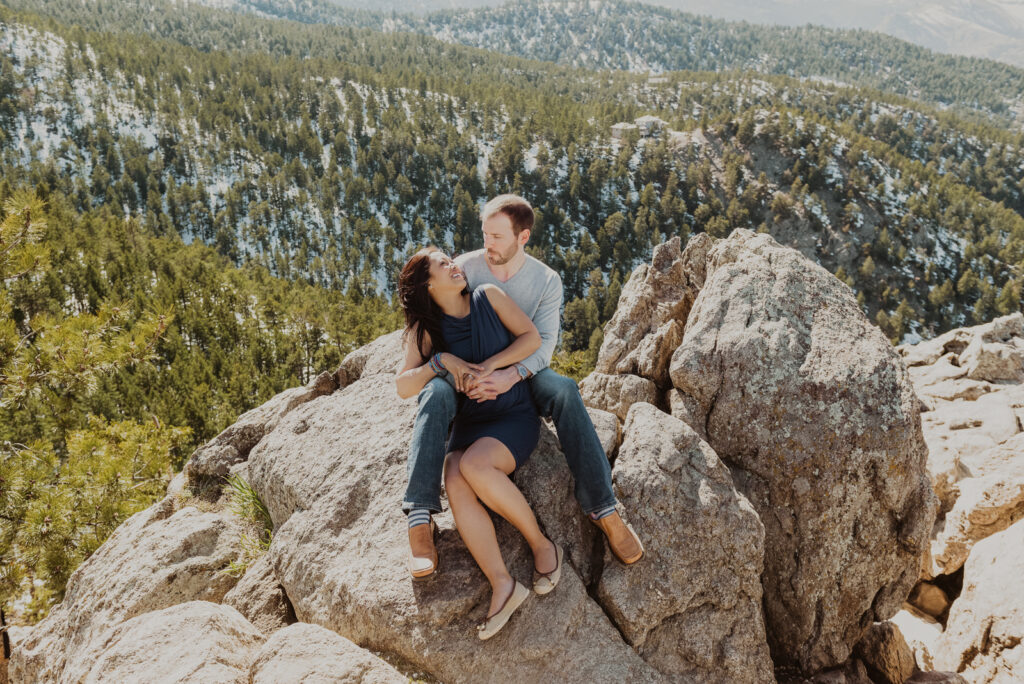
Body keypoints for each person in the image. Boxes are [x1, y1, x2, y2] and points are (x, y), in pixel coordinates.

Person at [401, 194, 643, 580]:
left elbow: (542, 344)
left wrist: (509, 374)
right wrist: (447, 364)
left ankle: (603, 508)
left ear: (523, 236)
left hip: (524, 370)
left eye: (497, 236)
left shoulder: (546, 281)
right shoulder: (464, 268)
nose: (487, 244)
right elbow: (432, 317)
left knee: (563, 390)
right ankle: (419, 514)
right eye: (485, 234)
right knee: (435, 392)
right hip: (470, 381)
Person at [396, 248, 564, 639]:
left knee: (473, 467)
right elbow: (403, 386)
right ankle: (503, 584)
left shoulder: (488, 296)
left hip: (511, 415)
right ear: (427, 284)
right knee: (454, 474)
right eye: (442, 263)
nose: (454, 264)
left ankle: (542, 545)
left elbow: (531, 339)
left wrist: (492, 367)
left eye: (449, 258)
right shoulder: (426, 331)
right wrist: (441, 363)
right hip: (469, 425)